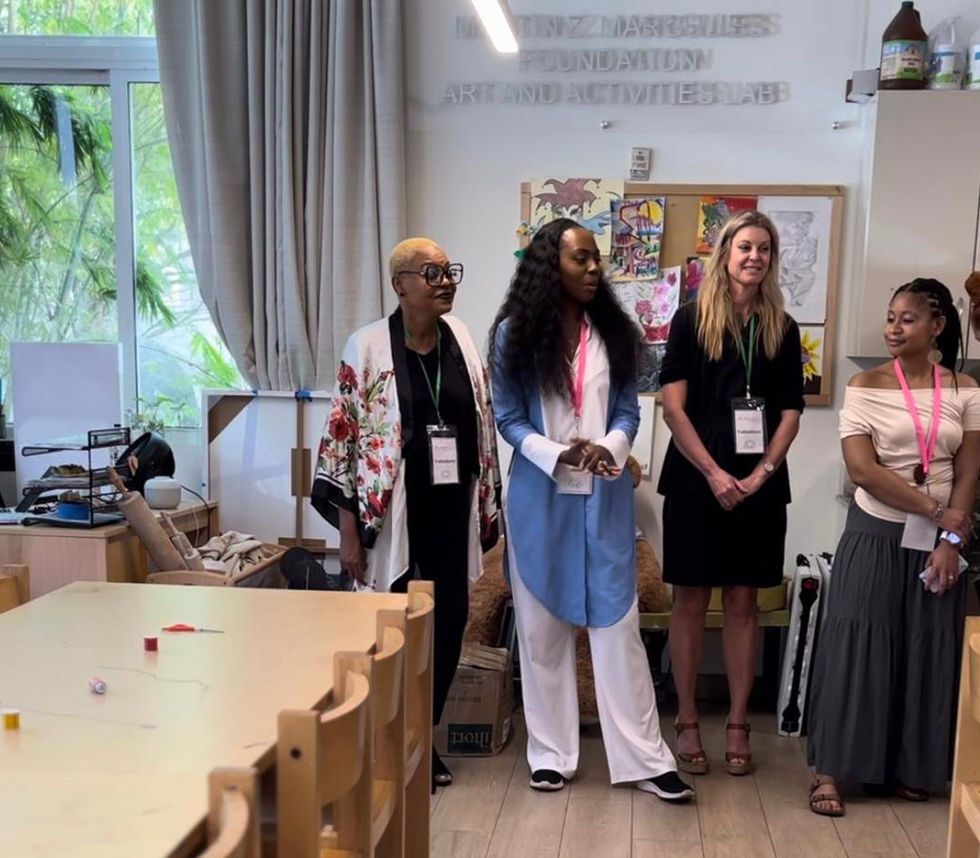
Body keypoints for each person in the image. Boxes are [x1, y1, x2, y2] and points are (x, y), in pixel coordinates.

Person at [489, 217, 693, 802]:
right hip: (540, 495)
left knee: (617, 628)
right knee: (541, 632)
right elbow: (508, 418)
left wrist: (610, 447)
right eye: (580, 258)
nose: (594, 267)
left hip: (604, 494)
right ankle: (551, 755)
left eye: (596, 257)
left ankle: (646, 759)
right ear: (548, 265)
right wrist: (558, 453)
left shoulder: (613, 332)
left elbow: (629, 410)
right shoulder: (512, 335)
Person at [311, 237, 502, 791]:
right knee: (387, 628)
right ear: (400, 285)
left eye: (449, 271)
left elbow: (481, 419)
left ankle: (422, 734)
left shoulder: (461, 338)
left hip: (451, 508)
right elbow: (342, 439)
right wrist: (349, 531)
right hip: (391, 512)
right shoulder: (368, 345)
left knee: (449, 622)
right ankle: (379, 740)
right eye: (431, 273)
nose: (446, 281)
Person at [806, 278, 980, 817]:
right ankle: (831, 771)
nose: (894, 328)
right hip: (876, 530)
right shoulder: (865, 385)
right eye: (890, 318)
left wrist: (952, 537)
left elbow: (969, 471)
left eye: (907, 319)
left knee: (927, 644)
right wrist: (937, 513)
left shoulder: (965, 389)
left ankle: (910, 769)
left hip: (940, 542)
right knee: (858, 642)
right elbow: (863, 470)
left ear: (937, 326)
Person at [658, 210, 804, 777]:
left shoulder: (781, 328)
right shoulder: (690, 320)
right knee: (691, 599)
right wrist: (714, 473)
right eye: (745, 246)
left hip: (759, 486)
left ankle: (740, 721)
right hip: (697, 480)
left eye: (764, 248)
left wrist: (761, 473)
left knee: (744, 600)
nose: (755, 257)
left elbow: (790, 412)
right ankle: (688, 718)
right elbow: (673, 408)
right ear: (725, 253)